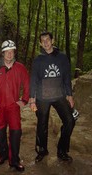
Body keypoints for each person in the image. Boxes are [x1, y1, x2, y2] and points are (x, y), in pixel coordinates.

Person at [29, 31, 75, 163]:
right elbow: (34, 80)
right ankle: (42, 150)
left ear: (52, 41)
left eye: (47, 40)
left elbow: (67, 77)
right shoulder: (38, 60)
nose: (45, 42)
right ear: (40, 43)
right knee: (42, 124)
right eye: (42, 40)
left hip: (59, 95)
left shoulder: (62, 57)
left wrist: (69, 95)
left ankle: (62, 150)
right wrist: (32, 99)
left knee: (69, 121)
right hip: (42, 97)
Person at [0, 40, 29, 172]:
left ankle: (14, 160)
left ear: (14, 52)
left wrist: (24, 100)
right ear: (3, 53)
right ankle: (3, 155)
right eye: (7, 51)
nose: (9, 54)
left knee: (16, 133)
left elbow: (28, 84)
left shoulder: (20, 67)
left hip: (13, 106)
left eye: (12, 51)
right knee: (0, 133)